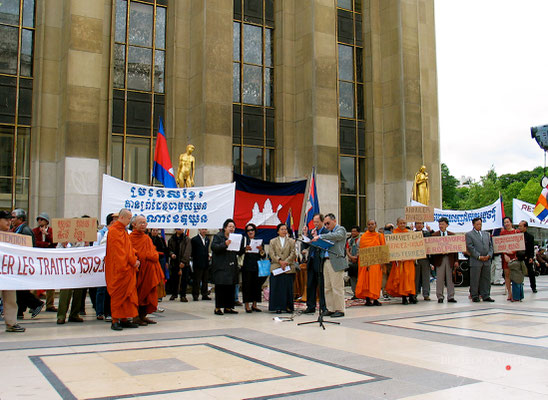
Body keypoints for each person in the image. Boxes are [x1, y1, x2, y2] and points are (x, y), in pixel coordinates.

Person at [105, 208, 140, 331]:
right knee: (118, 296)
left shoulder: (123, 231)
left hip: (127, 268)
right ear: (123, 217)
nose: (130, 221)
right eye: (129, 219)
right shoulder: (114, 231)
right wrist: (133, 261)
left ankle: (124, 319)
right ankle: (115, 320)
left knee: (127, 295)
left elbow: (128, 248)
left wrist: (134, 257)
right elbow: (120, 253)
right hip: (119, 269)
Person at [129, 215, 163, 325]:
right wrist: (147, 255)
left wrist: (152, 255)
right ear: (134, 225)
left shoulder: (147, 238)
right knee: (138, 294)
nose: (144, 225)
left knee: (149, 294)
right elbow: (131, 253)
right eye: (141, 223)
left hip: (149, 272)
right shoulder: (130, 238)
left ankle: (143, 316)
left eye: (145, 223)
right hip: (138, 272)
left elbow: (153, 253)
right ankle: (135, 317)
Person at [312, 213, 347, 317]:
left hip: (336, 261)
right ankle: (330, 308)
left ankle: (339, 309)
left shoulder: (340, 229)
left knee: (337, 287)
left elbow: (337, 236)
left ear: (334, 221)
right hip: (326, 261)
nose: (326, 226)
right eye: (325, 224)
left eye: (328, 223)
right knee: (327, 287)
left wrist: (321, 236)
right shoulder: (329, 232)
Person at [11, 209, 44, 319]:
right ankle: (20, 311)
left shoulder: (25, 230)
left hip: (23, 263)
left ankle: (36, 304)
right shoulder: (17, 230)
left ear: (20, 219)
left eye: (13, 217)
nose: (11, 220)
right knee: (19, 288)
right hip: (17, 263)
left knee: (20, 290)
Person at [211, 219, 243, 315]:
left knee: (230, 287)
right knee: (221, 287)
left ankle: (228, 307)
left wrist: (244, 249)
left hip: (231, 266)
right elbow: (214, 247)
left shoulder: (235, 238)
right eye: (230, 227)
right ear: (225, 228)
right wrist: (225, 244)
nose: (232, 229)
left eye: (233, 227)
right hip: (221, 266)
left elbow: (238, 251)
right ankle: (218, 308)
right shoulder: (218, 236)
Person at [0, 210, 25, 332]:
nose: (9, 222)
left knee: (10, 298)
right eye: (6, 219)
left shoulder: (11, 237)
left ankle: (11, 322)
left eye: (10, 219)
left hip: (8, 273)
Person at [385, 217, 416, 305]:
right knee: (401, 278)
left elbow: (414, 246)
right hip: (399, 261)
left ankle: (411, 295)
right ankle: (403, 297)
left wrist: (415, 256)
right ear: (397, 224)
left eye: (404, 223)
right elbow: (391, 247)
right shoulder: (394, 234)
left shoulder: (410, 233)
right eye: (401, 223)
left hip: (409, 260)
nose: (402, 225)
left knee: (410, 278)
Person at [268, 223, 297, 314]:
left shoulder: (291, 241)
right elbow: (271, 253)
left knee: (287, 288)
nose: (284, 231)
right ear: (278, 231)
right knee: (277, 288)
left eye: (285, 229)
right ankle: (278, 306)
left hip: (288, 267)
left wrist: (286, 262)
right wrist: (280, 261)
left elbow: (293, 253)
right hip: (277, 266)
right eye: (282, 229)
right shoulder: (273, 241)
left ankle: (288, 306)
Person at [356, 219, 385, 306]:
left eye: (372, 224)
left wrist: (382, 262)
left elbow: (383, 249)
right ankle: (368, 299)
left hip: (376, 263)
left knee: (376, 281)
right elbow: (362, 250)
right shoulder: (364, 237)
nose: (371, 226)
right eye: (369, 224)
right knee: (367, 281)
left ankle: (375, 298)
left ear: (375, 225)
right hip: (366, 264)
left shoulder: (380, 236)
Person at [465, 217, 495, 303]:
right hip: (476, 260)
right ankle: (474, 295)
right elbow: (470, 247)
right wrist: (478, 256)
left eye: (480, 224)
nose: (479, 226)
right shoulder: (469, 235)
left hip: (486, 260)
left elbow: (491, 246)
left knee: (486, 278)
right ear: (473, 225)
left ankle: (486, 295)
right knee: (475, 278)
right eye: (477, 224)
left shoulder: (486, 234)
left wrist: (489, 255)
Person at [32, 212, 57, 312]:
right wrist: (47, 244)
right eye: (38, 220)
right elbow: (35, 243)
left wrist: (47, 235)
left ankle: (50, 304)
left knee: (51, 282)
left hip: (50, 259)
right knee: (36, 281)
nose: (39, 222)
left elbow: (55, 242)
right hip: (38, 259)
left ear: (46, 221)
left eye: (41, 220)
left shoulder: (51, 231)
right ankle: (34, 303)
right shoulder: (34, 231)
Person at [302, 213, 327, 314]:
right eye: (314, 222)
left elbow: (324, 245)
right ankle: (310, 306)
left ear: (322, 221)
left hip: (320, 261)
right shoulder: (312, 231)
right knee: (310, 284)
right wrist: (305, 235)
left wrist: (317, 237)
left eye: (317, 222)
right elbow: (306, 245)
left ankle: (323, 307)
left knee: (321, 285)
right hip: (311, 261)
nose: (315, 224)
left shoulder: (325, 232)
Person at [56, 241, 85, 324]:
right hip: (67, 268)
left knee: (78, 292)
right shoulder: (62, 239)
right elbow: (57, 251)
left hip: (78, 267)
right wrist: (64, 246)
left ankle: (74, 314)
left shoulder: (82, 239)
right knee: (65, 292)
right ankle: (61, 315)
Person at [430, 217, 458, 303]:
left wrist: (456, 260)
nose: (441, 226)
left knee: (450, 278)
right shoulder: (434, 235)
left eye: (442, 224)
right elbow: (432, 249)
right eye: (440, 224)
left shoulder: (452, 235)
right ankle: (440, 296)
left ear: (447, 225)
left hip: (449, 258)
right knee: (440, 279)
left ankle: (451, 296)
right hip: (439, 259)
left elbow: (455, 249)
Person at [241, 223, 267, 313]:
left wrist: (261, 250)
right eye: (248, 230)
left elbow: (263, 255)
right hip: (247, 266)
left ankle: (255, 304)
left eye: (252, 230)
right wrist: (245, 249)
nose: (250, 232)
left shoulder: (259, 241)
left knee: (256, 285)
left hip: (256, 266)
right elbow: (238, 252)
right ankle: (247, 305)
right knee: (247, 285)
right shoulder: (244, 241)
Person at [96, 213, 116, 321]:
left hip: (116, 266)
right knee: (102, 289)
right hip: (104, 264)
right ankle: (101, 311)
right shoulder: (104, 234)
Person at [499, 217, 520, 301]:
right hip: (506, 256)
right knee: (507, 275)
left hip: (515, 256)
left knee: (515, 275)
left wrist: (513, 251)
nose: (506, 224)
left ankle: (516, 293)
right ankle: (509, 293)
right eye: (505, 222)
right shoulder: (502, 233)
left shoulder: (516, 232)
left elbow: (519, 244)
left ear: (511, 223)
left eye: (508, 222)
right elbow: (500, 245)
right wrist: (504, 254)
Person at [167, 229, 192, 302]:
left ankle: (183, 295)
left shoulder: (186, 239)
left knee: (184, 280)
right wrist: (171, 254)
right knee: (174, 279)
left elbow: (188, 251)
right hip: (175, 262)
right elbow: (169, 249)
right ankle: (174, 293)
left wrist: (183, 261)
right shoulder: (172, 239)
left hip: (184, 263)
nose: (180, 230)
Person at [190, 229, 211, 301]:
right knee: (197, 280)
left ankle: (204, 294)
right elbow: (192, 251)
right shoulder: (194, 240)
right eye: (203, 229)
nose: (204, 231)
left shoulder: (207, 239)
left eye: (205, 229)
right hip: (198, 262)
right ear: (199, 229)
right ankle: (195, 294)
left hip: (205, 262)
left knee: (205, 280)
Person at [414, 221, 431, 301]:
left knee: (426, 277)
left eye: (421, 223)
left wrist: (430, 230)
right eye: (417, 223)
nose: (419, 225)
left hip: (425, 258)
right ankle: (415, 293)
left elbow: (434, 240)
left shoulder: (427, 233)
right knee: (416, 277)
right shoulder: (412, 234)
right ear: (415, 225)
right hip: (416, 258)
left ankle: (426, 294)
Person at [149, 228, 168, 302]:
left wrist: (166, 261)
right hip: (151, 260)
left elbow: (165, 250)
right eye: (154, 230)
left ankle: (159, 295)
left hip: (160, 260)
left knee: (160, 278)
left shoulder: (161, 239)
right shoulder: (148, 239)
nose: (155, 232)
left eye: (157, 231)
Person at [518, 220, 537, 293]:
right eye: (519, 226)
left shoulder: (530, 237)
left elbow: (531, 248)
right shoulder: (516, 235)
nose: (519, 227)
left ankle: (533, 287)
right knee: (518, 273)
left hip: (527, 257)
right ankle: (518, 287)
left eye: (521, 226)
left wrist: (531, 257)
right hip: (519, 257)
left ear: (525, 227)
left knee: (531, 273)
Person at [346, 225, 361, 299]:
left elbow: (362, 249)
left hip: (359, 261)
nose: (353, 233)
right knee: (352, 277)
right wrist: (350, 257)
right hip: (351, 261)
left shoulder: (361, 240)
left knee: (359, 277)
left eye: (355, 231)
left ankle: (360, 292)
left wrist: (357, 256)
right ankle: (354, 292)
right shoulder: (349, 240)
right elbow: (347, 249)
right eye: (352, 231)